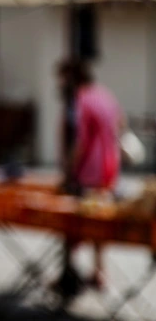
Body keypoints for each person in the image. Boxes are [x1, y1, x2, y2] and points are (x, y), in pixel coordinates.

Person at [57, 59, 122, 289]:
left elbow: (80, 141)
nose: (59, 84)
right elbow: (120, 126)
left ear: (73, 78)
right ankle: (99, 270)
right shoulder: (105, 96)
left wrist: (68, 171)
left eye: (62, 78)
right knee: (99, 221)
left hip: (88, 173)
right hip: (109, 169)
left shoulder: (81, 100)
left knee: (72, 220)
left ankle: (68, 273)